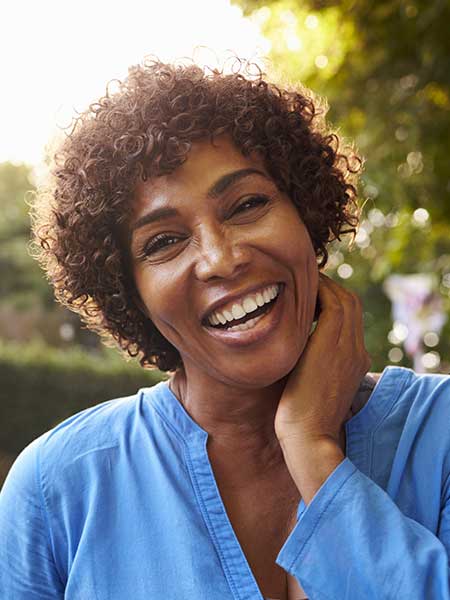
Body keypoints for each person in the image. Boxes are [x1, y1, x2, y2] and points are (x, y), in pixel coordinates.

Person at [1, 57, 450, 600]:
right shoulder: (58, 488)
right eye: (163, 242)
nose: (221, 259)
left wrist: (312, 449)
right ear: (129, 293)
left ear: (307, 216)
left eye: (247, 204)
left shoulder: (440, 433)